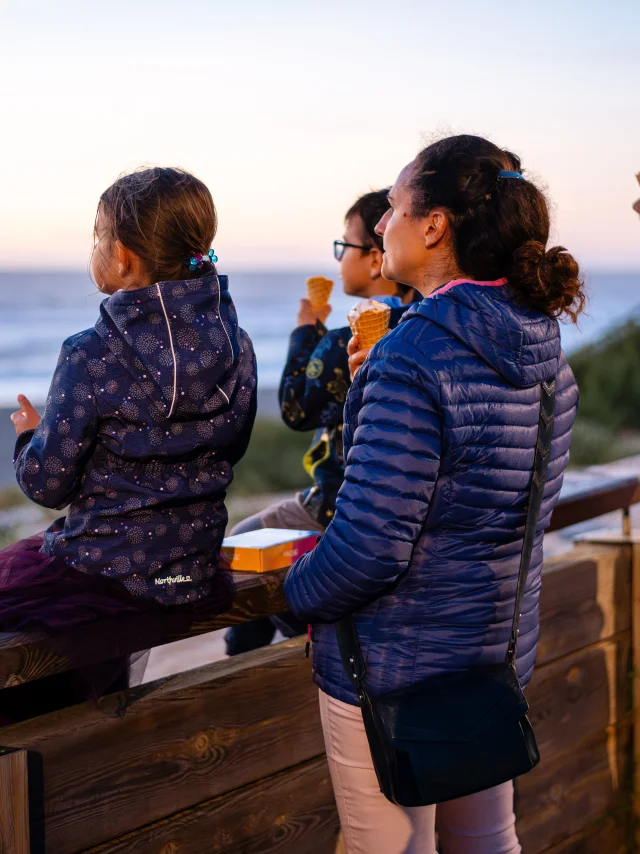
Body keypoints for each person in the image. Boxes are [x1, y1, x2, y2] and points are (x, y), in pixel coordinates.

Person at [284, 135, 583, 854]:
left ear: (434, 224)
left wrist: (292, 593)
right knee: (487, 844)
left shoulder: (414, 353)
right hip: (491, 656)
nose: (382, 224)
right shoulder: (543, 351)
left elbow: (368, 549)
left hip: (393, 669)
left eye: (391, 208)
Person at [0, 167, 257, 719]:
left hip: (109, 570)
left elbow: (47, 485)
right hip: (189, 568)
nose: (92, 247)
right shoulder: (237, 345)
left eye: (96, 235)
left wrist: (29, 438)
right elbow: (230, 449)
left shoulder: (89, 353)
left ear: (121, 257)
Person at [224, 190, 418, 655]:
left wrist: (303, 331)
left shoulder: (341, 339)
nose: (338, 260)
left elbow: (294, 408)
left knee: (240, 548)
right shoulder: (415, 322)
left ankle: (255, 656)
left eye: (344, 246)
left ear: (375, 259)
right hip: (387, 507)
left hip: (332, 506)